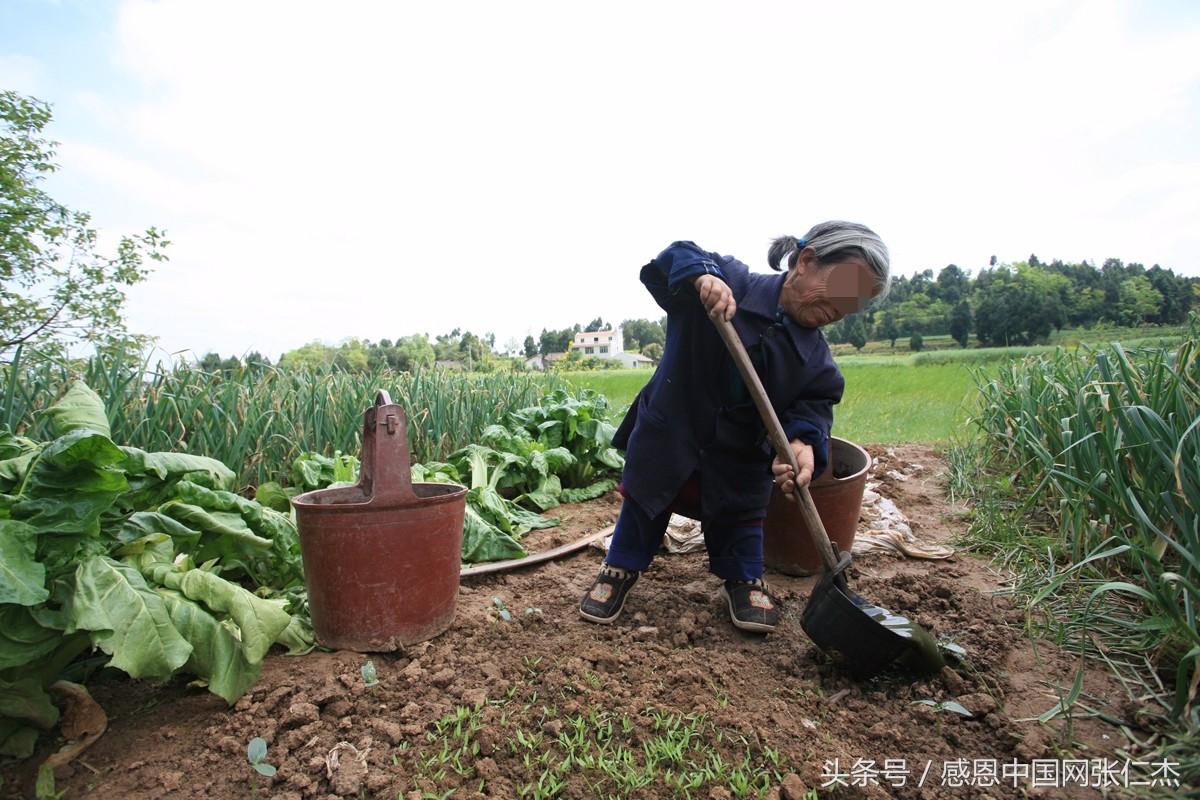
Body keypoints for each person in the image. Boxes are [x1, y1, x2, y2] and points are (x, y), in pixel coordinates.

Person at [579, 221, 891, 633]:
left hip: (738, 455)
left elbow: (814, 408)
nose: (842, 307)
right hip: (673, 432)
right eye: (843, 287)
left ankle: (743, 578)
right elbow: (677, 253)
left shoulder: (816, 361)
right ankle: (619, 568)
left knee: (741, 517)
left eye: (856, 302)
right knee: (644, 505)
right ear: (806, 260)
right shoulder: (731, 282)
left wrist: (802, 444)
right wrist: (703, 278)